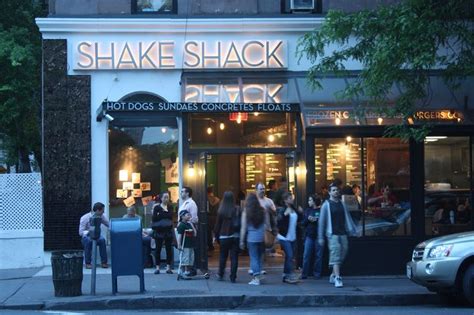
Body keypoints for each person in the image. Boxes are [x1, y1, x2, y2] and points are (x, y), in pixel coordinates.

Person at [318, 183, 358, 288]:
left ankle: (333, 274)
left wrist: (353, 230)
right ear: (329, 192)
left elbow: (347, 217)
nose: (336, 192)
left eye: (337, 190)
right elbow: (321, 222)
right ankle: (338, 278)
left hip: (342, 232)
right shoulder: (326, 204)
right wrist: (321, 237)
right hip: (332, 234)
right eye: (334, 190)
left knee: (343, 252)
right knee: (335, 253)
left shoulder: (342, 203)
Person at [214, 191, 240, 283]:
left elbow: (217, 225)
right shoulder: (237, 209)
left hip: (224, 236)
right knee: (234, 257)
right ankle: (233, 276)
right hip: (235, 236)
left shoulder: (221, 210)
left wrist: (216, 237)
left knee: (223, 256)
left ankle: (220, 274)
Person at [276, 192, 302, 284]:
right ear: (285, 200)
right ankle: (290, 274)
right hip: (284, 237)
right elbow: (279, 222)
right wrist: (284, 215)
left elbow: (299, 219)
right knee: (290, 255)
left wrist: (300, 212)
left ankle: (285, 275)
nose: (292, 199)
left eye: (292, 197)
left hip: (292, 236)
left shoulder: (293, 208)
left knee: (289, 256)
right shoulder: (282, 209)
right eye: (290, 198)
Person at [240, 193, 266, 285]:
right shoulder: (262, 210)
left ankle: (256, 278)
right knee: (259, 257)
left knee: (254, 257)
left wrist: (241, 240)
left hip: (251, 238)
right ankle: (258, 275)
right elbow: (266, 224)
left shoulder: (246, 211)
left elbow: (243, 228)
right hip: (261, 237)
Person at [78, 202, 110, 269]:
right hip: (87, 236)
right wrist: (89, 231)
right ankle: (88, 263)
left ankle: (104, 262)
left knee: (102, 240)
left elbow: (108, 224)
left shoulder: (101, 216)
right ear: (98, 210)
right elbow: (81, 232)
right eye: (102, 211)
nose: (103, 212)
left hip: (97, 236)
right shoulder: (84, 218)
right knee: (88, 241)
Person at [151, 191, 175, 274]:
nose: (166, 199)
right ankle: (157, 267)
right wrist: (164, 215)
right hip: (159, 230)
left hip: (168, 230)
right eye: (165, 197)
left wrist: (160, 215)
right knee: (158, 249)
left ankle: (168, 267)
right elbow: (154, 218)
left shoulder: (170, 206)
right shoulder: (156, 207)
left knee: (169, 249)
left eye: (167, 197)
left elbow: (170, 216)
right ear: (161, 198)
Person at [301, 194, 323, 279]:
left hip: (318, 235)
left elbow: (324, 222)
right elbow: (303, 223)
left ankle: (317, 274)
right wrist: (308, 219)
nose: (308, 202)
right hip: (309, 236)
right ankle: (304, 274)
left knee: (318, 256)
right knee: (306, 255)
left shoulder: (321, 210)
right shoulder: (307, 210)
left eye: (310, 200)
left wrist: (316, 220)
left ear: (314, 201)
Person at [177, 210, 197, 276]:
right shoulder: (181, 225)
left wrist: (192, 225)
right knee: (185, 258)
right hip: (185, 245)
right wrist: (179, 244)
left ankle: (188, 270)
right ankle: (185, 271)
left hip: (191, 244)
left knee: (190, 258)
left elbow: (195, 234)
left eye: (189, 215)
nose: (189, 216)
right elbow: (179, 235)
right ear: (182, 216)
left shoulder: (189, 224)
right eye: (187, 215)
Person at [207, 185, 220, 252]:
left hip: (208, 217)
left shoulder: (205, 199)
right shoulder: (217, 199)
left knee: (208, 233)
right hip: (215, 217)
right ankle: (219, 243)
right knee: (216, 231)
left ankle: (210, 245)